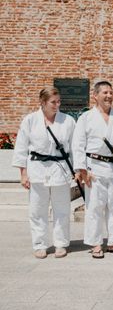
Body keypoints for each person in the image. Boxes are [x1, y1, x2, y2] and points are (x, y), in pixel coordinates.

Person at [72, 81, 113, 259]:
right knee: (95, 207)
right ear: (95, 95)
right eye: (105, 92)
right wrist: (82, 169)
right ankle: (96, 243)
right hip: (94, 167)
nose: (109, 96)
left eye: (111, 93)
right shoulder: (86, 118)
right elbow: (78, 144)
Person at [13, 87, 76, 259]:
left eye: (59, 101)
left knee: (61, 208)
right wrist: (23, 174)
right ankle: (40, 244)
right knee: (37, 209)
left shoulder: (68, 121)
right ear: (42, 102)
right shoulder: (30, 120)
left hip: (60, 168)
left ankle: (61, 243)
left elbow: (74, 148)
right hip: (37, 168)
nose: (57, 105)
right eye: (53, 102)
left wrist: (77, 170)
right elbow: (21, 148)